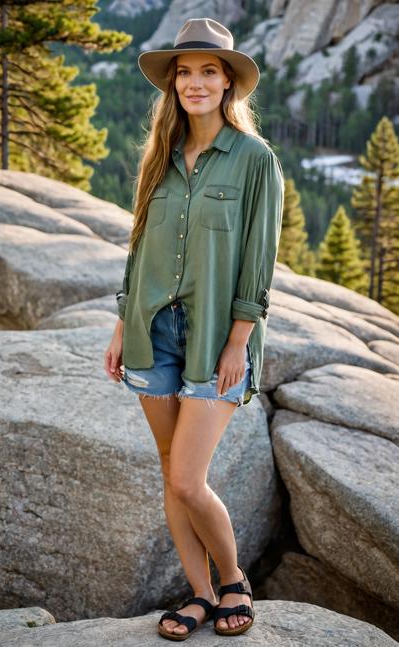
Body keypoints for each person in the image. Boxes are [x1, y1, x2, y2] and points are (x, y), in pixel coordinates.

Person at [105, 17, 284, 640]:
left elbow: (259, 258)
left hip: (216, 339)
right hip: (152, 331)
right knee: (168, 471)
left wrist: (240, 338)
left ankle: (233, 580)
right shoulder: (161, 155)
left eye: (210, 71)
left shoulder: (255, 160)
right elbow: (140, 246)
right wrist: (121, 320)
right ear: (173, 82)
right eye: (186, 71)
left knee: (187, 477)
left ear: (230, 83)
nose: (196, 82)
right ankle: (201, 595)